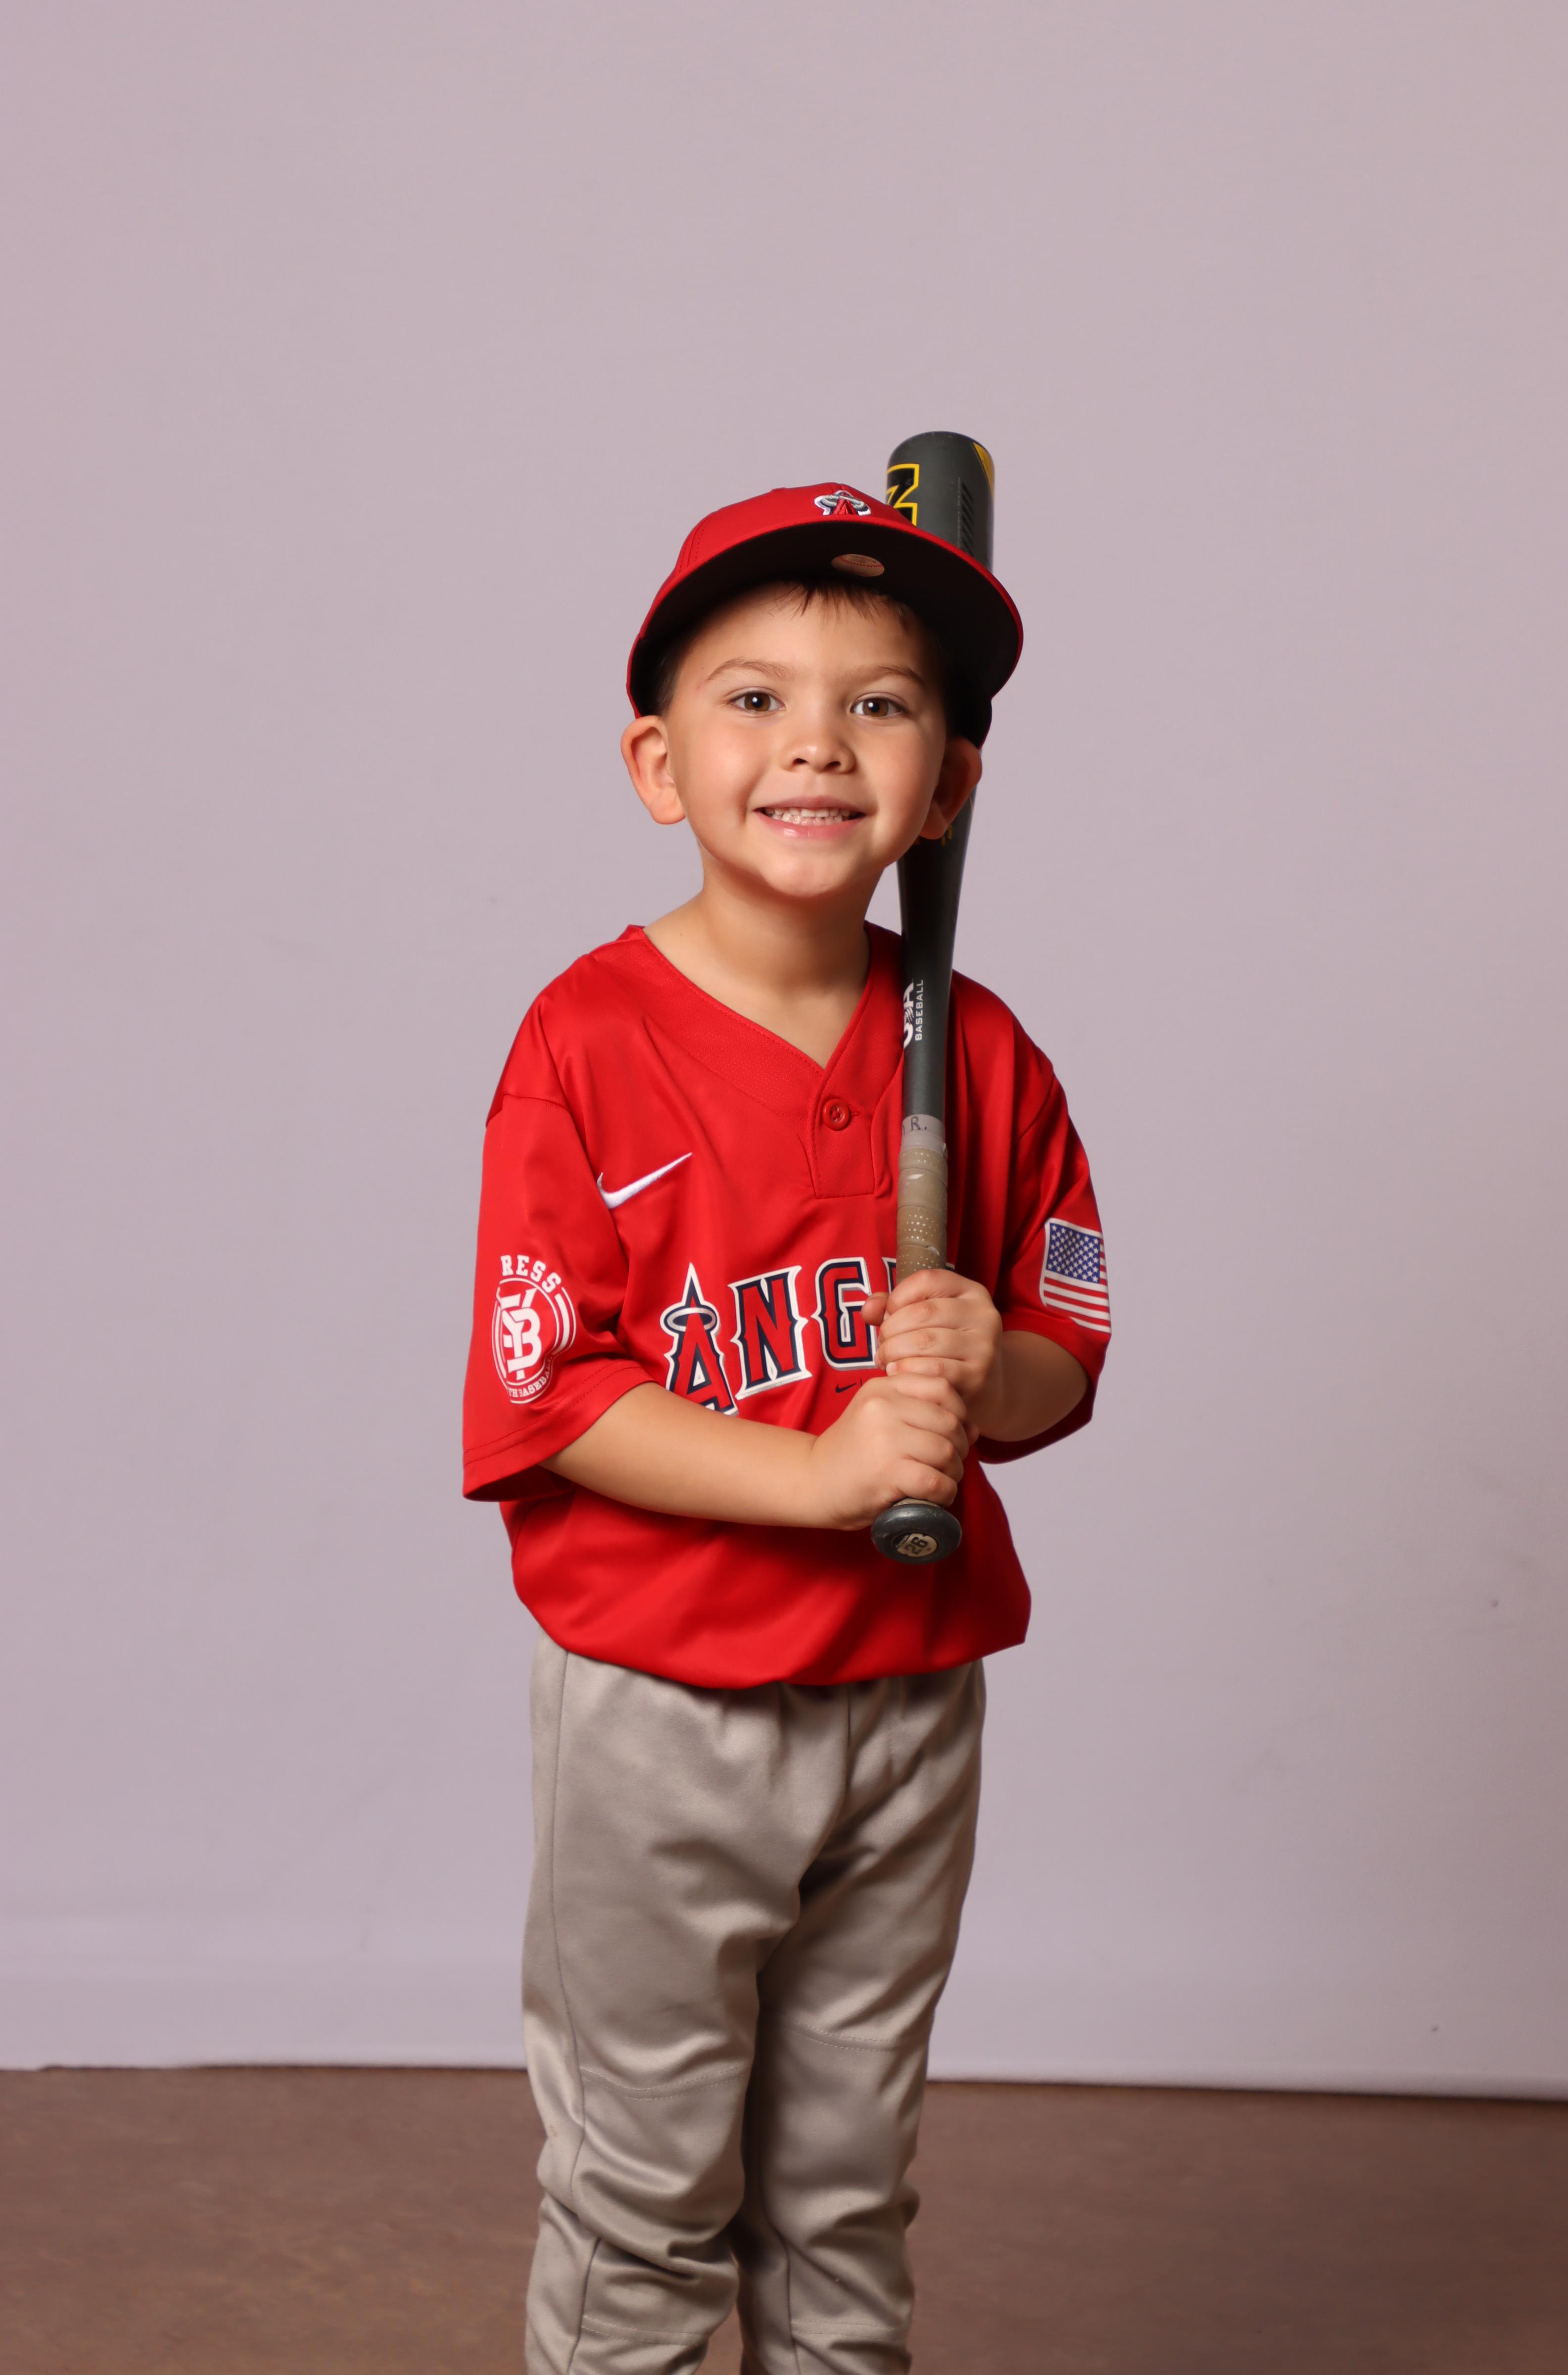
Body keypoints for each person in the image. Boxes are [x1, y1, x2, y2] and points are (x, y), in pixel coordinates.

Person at [463, 481, 1111, 2375]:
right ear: (659, 766)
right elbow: (553, 1396)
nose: (818, 742)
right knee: (645, 2185)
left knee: (842, 2187)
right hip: (662, 1702)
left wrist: (987, 1365)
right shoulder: (585, 1040)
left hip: (909, 1692)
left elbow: (1065, 1357)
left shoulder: (982, 1051)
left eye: (880, 705)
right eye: (754, 699)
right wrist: (820, 1475)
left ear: (950, 785)